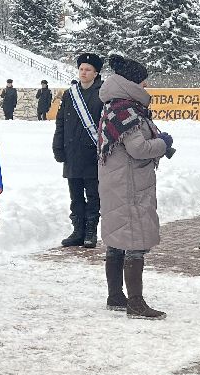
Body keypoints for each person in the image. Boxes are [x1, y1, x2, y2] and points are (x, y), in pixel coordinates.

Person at [97, 53, 174, 319]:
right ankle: (136, 303)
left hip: (118, 182)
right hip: (129, 185)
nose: (145, 88)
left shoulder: (113, 106)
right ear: (131, 83)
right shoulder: (127, 111)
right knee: (134, 241)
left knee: (117, 240)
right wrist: (163, 143)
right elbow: (138, 148)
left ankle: (115, 296)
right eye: (142, 82)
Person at [53, 52, 104, 248]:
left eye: (88, 70)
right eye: (81, 69)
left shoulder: (103, 93)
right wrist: (58, 145)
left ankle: (91, 230)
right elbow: (61, 123)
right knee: (75, 195)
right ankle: (78, 230)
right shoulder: (70, 93)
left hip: (92, 153)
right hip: (72, 152)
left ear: (96, 72)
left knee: (93, 195)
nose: (83, 72)